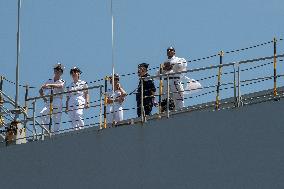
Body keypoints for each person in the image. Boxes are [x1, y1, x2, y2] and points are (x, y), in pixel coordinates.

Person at [39, 63, 65, 133]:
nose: (57, 71)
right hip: (49, 100)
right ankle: (47, 131)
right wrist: (43, 97)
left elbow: (60, 86)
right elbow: (41, 90)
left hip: (57, 100)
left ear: (61, 72)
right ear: (54, 71)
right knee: (42, 114)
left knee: (57, 118)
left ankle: (56, 133)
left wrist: (48, 85)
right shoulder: (49, 80)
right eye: (56, 70)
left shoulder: (62, 81)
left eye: (59, 70)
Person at [160, 46, 187, 111]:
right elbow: (158, 74)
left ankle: (180, 111)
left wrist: (171, 66)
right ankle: (168, 111)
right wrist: (164, 68)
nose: (169, 51)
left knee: (178, 98)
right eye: (168, 50)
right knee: (166, 98)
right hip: (166, 81)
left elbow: (181, 66)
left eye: (171, 50)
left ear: (174, 52)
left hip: (175, 80)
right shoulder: (164, 63)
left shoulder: (180, 59)